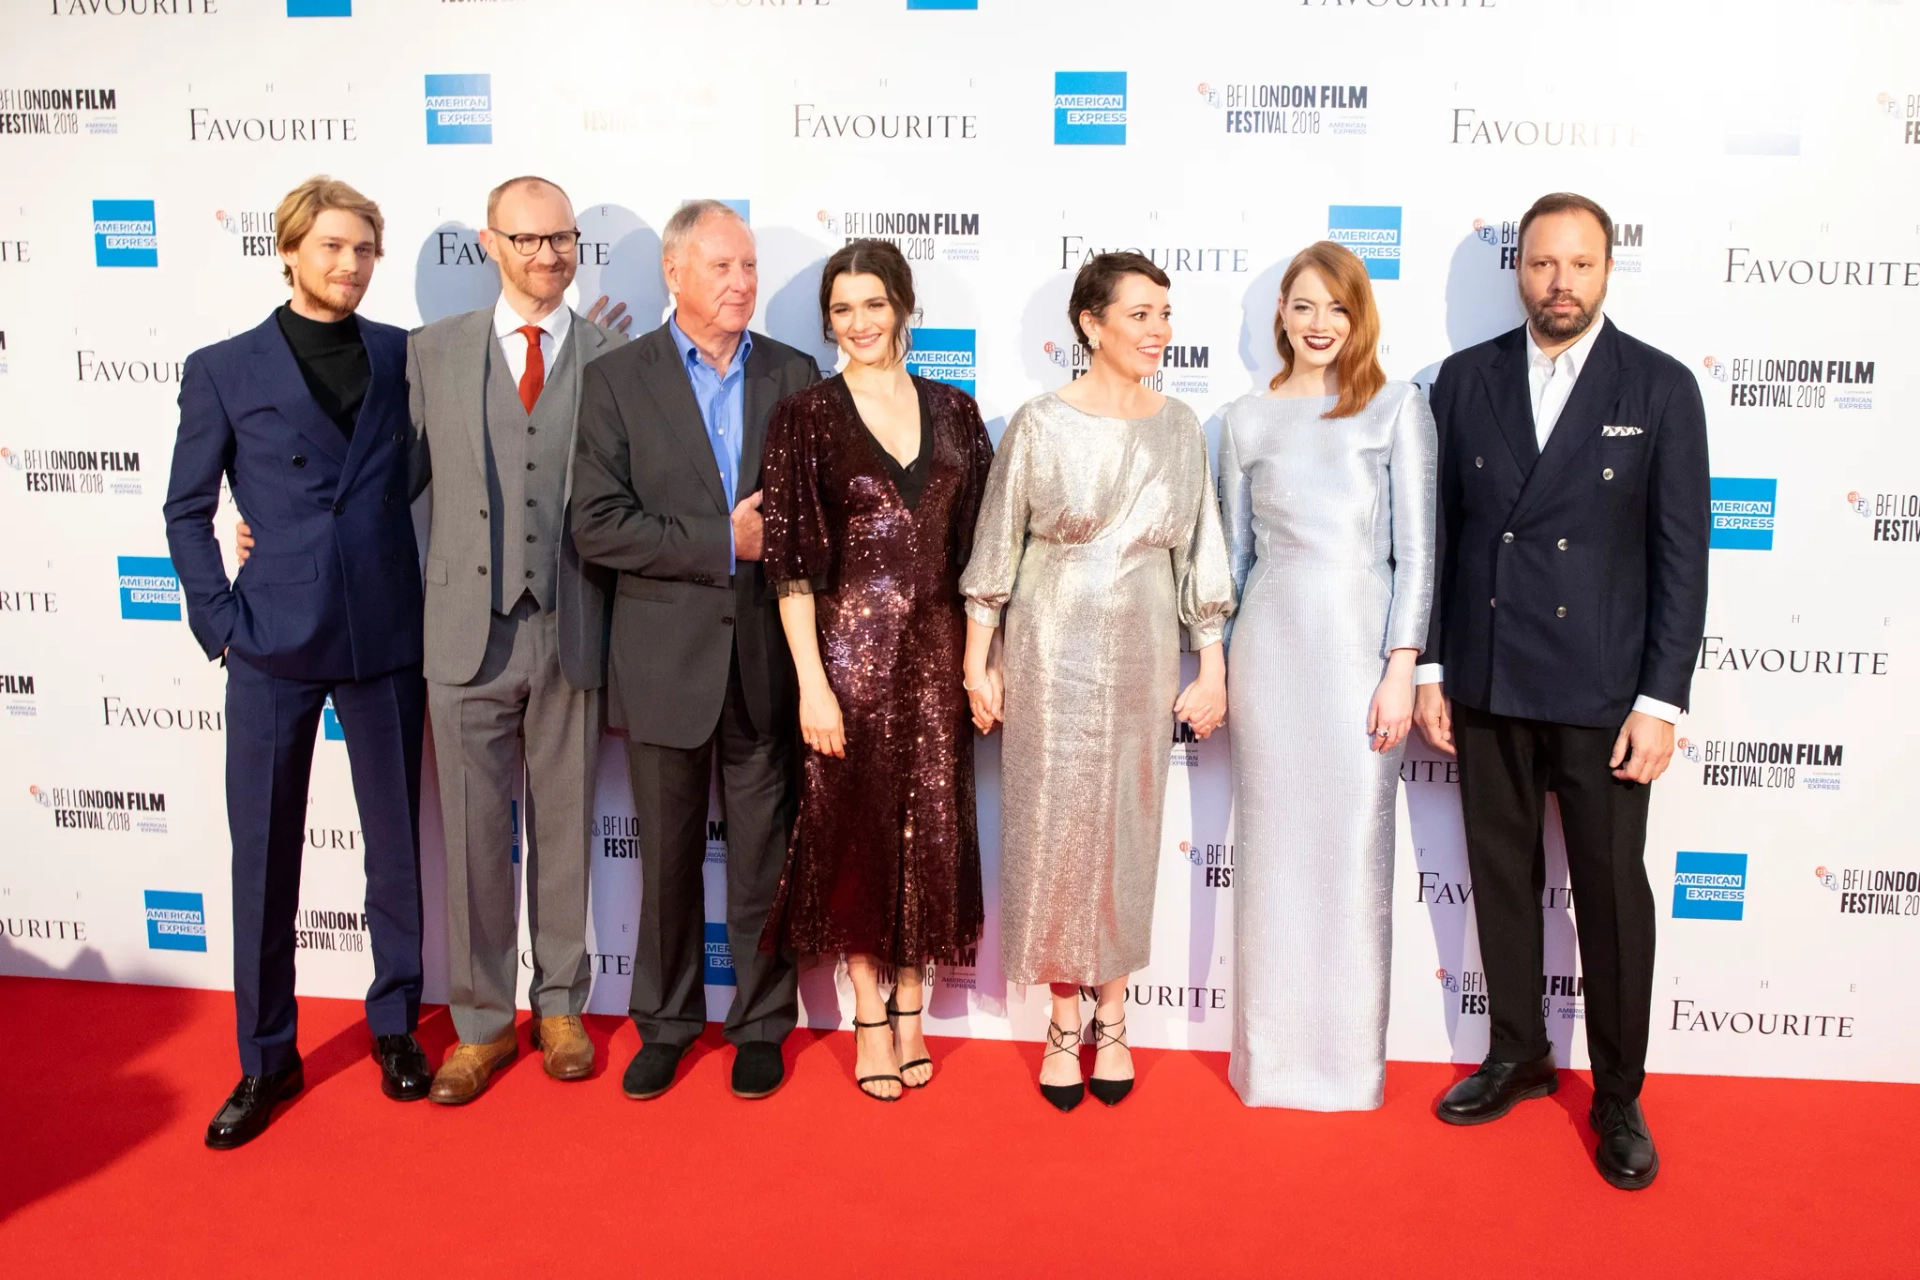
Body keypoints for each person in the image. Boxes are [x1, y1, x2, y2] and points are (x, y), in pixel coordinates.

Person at [1415, 192, 1709, 1189]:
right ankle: (1516, 1053)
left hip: (1604, 691)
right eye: (1544, 263)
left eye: (1580, 264)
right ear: (1519, 269)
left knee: (1612, 898)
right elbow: (1444, 542)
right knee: (1497, 874)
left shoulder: (1661, 386)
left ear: (1608, 270)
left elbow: (1682, 558)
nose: (1561, 282)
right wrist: (1433, 667)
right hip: (1491, 677)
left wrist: (1661, 700)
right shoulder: (1464, 381)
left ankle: (1620, 1094)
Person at [164, 176, 432, 1149]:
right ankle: (266, 1055)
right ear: (286, 251)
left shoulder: (407, 355)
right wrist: (221, 617)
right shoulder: (223, 368)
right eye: (330, 247)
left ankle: (396, 1024)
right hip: (271, 639)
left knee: (397, 847)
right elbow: (185, 509)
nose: (350, 265)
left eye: (364, 248)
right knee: (264, 856)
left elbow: (445, 457)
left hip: (386, 633)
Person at [960, 251, 1234, 1111]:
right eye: (1140, 315)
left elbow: (1205, 558)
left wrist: (1214, 667)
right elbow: (996, 550)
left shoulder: (1182, 427)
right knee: (1052, 831)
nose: (1159, 331)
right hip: (1048, 651)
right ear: (1091, 325)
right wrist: (979, 659)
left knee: (1126, 828)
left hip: (1145, 650)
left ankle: (1114, 1018)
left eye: (1164, 313)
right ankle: (1060, 1020)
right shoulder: (1038, 424)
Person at [571, 199, 820, 1101]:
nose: (742, 283)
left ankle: (760, 1024)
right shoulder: (616, 381)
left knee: (764, 860)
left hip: (765, 663)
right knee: (667, 866)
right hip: (663, 665)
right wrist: (723, 541)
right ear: (672, 274)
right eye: (721, 267)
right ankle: (667, 1024)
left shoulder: (795, 374)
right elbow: (596, 526)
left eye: (749, 266)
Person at [756, 239, 995, 1101]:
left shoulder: (958, 413)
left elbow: (984, 559)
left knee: (931, 830)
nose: (858, 323)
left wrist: (981, 663)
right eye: (842, 308)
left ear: (903, 305)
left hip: (936, 663)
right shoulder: (806, 417)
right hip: (846, 663)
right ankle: (866, 1013)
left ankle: (911, 1005)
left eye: (873, 304)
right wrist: (812, 683)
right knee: (853, 831)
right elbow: (789, 568)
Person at [1220, 242, 1436, 1112]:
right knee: (1271, 861)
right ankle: (1269, 1065)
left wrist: (1402, 669)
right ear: (1281, 311)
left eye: (1337, 309)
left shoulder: (1394, 408)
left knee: (1352, 861)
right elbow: (1232, 562)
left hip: (1360, 660)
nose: (1319, 325)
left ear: (1360, 317)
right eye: (1303, 306)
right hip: (1269, 656)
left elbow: (1417, 553)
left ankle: (1348, 1068)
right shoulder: (1243, 419)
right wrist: (1216, 667)